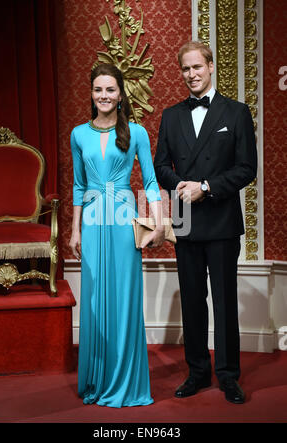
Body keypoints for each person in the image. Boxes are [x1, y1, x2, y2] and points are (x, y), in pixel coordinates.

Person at [154, 41, 257, 404]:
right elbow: (161, 165)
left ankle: (228, 376)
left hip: (221, 219)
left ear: (211, 67)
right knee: (193, 302)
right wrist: (178, 184)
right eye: (185, 69)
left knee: (225, 301)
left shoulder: (237, 112)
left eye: (197, 67)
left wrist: (207, 187)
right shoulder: (171, 115)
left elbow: (247, 168)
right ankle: (197, 372)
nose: (192, 74)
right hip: (185, 217)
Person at [69, 63, 164, 408]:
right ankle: (97, 379)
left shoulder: (137, 132)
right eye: (98, 89)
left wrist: (158, 222)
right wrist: (74, 229)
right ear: (91, 94)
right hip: (93, 220)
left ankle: (124, 381)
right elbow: (79, 185)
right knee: (94, 301)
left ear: (121, 94)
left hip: (124, 218)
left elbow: (151, 182)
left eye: (110, 90)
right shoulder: (78, 134)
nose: (104, 96)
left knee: (124, 299)